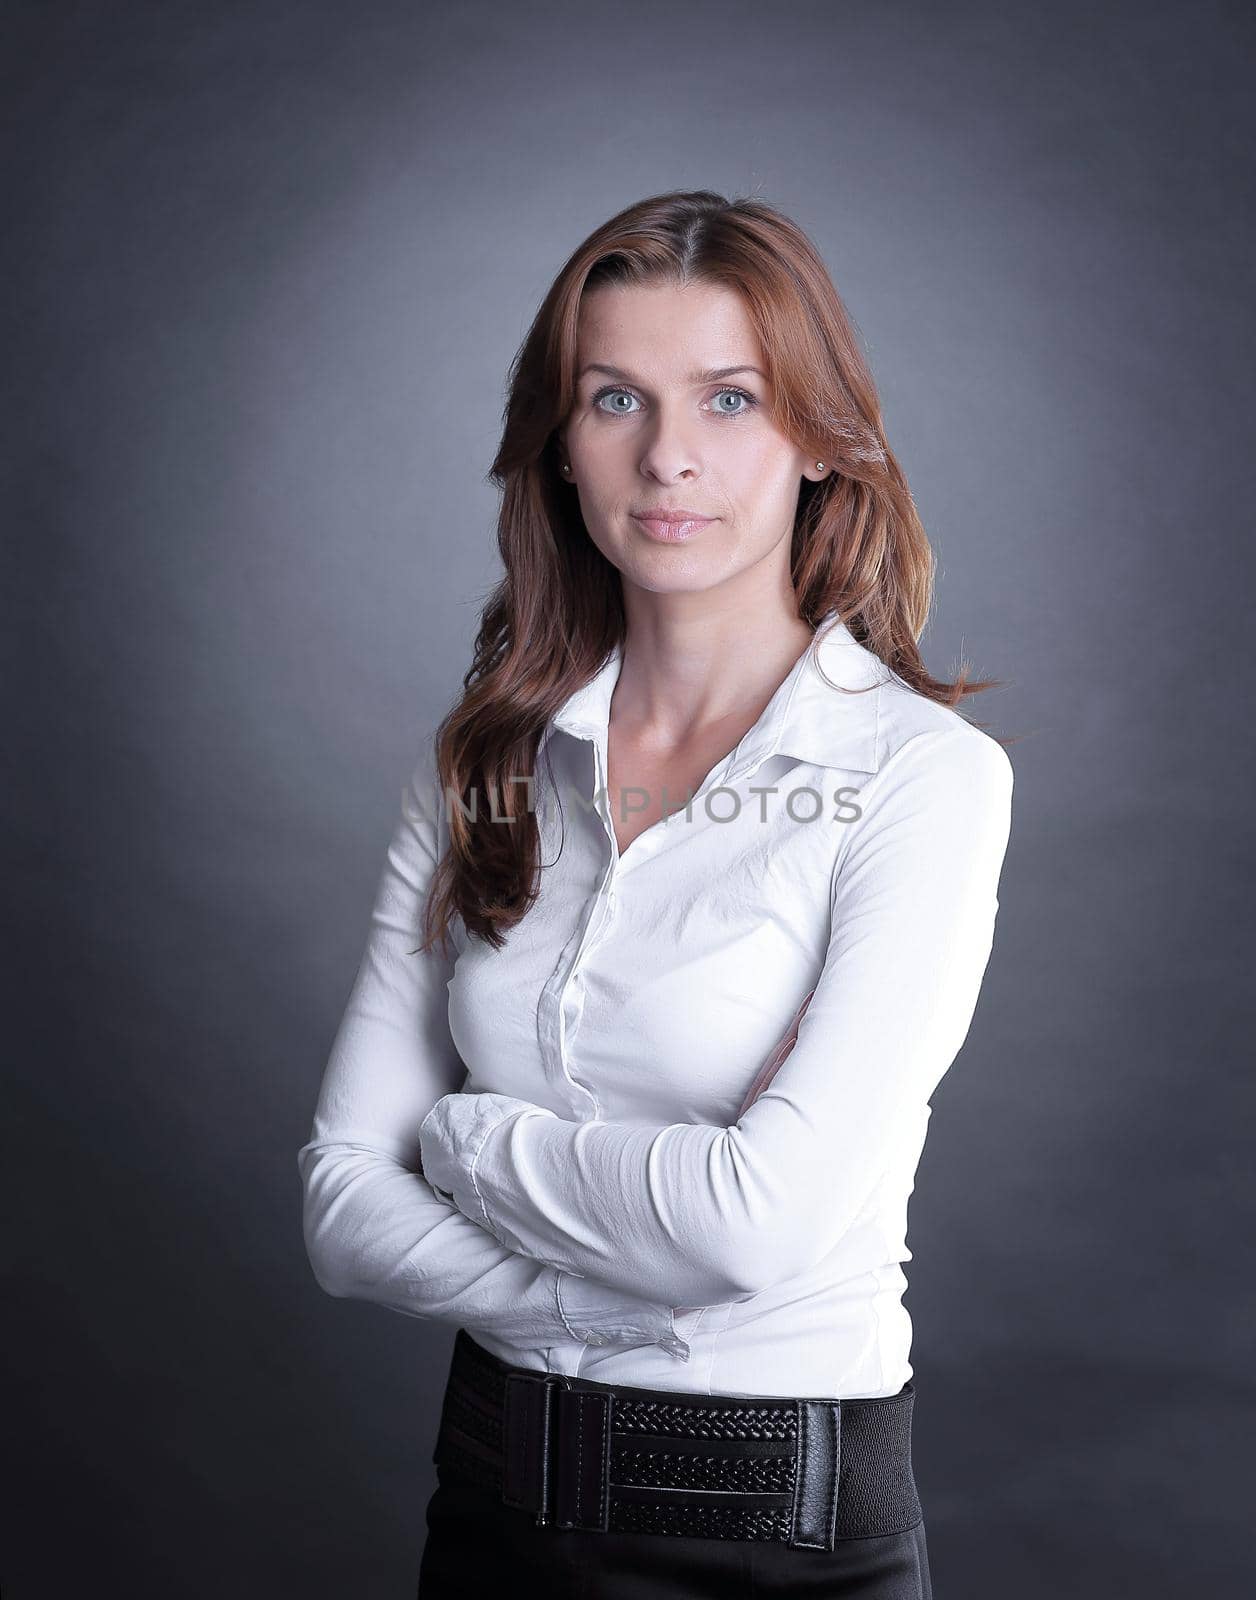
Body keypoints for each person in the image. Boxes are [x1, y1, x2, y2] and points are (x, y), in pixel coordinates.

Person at [298, 188, 1015, 1599]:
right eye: (615, 398)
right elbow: (338, 1209)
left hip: (774, 1540)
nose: (669, 457)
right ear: (560, 449)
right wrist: (596, 1294)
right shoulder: (483, 769)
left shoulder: (922, 780)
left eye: (732, 400)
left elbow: (760, 1222)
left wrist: (468, 1140)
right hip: (492, 1508)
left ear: (819, 437)